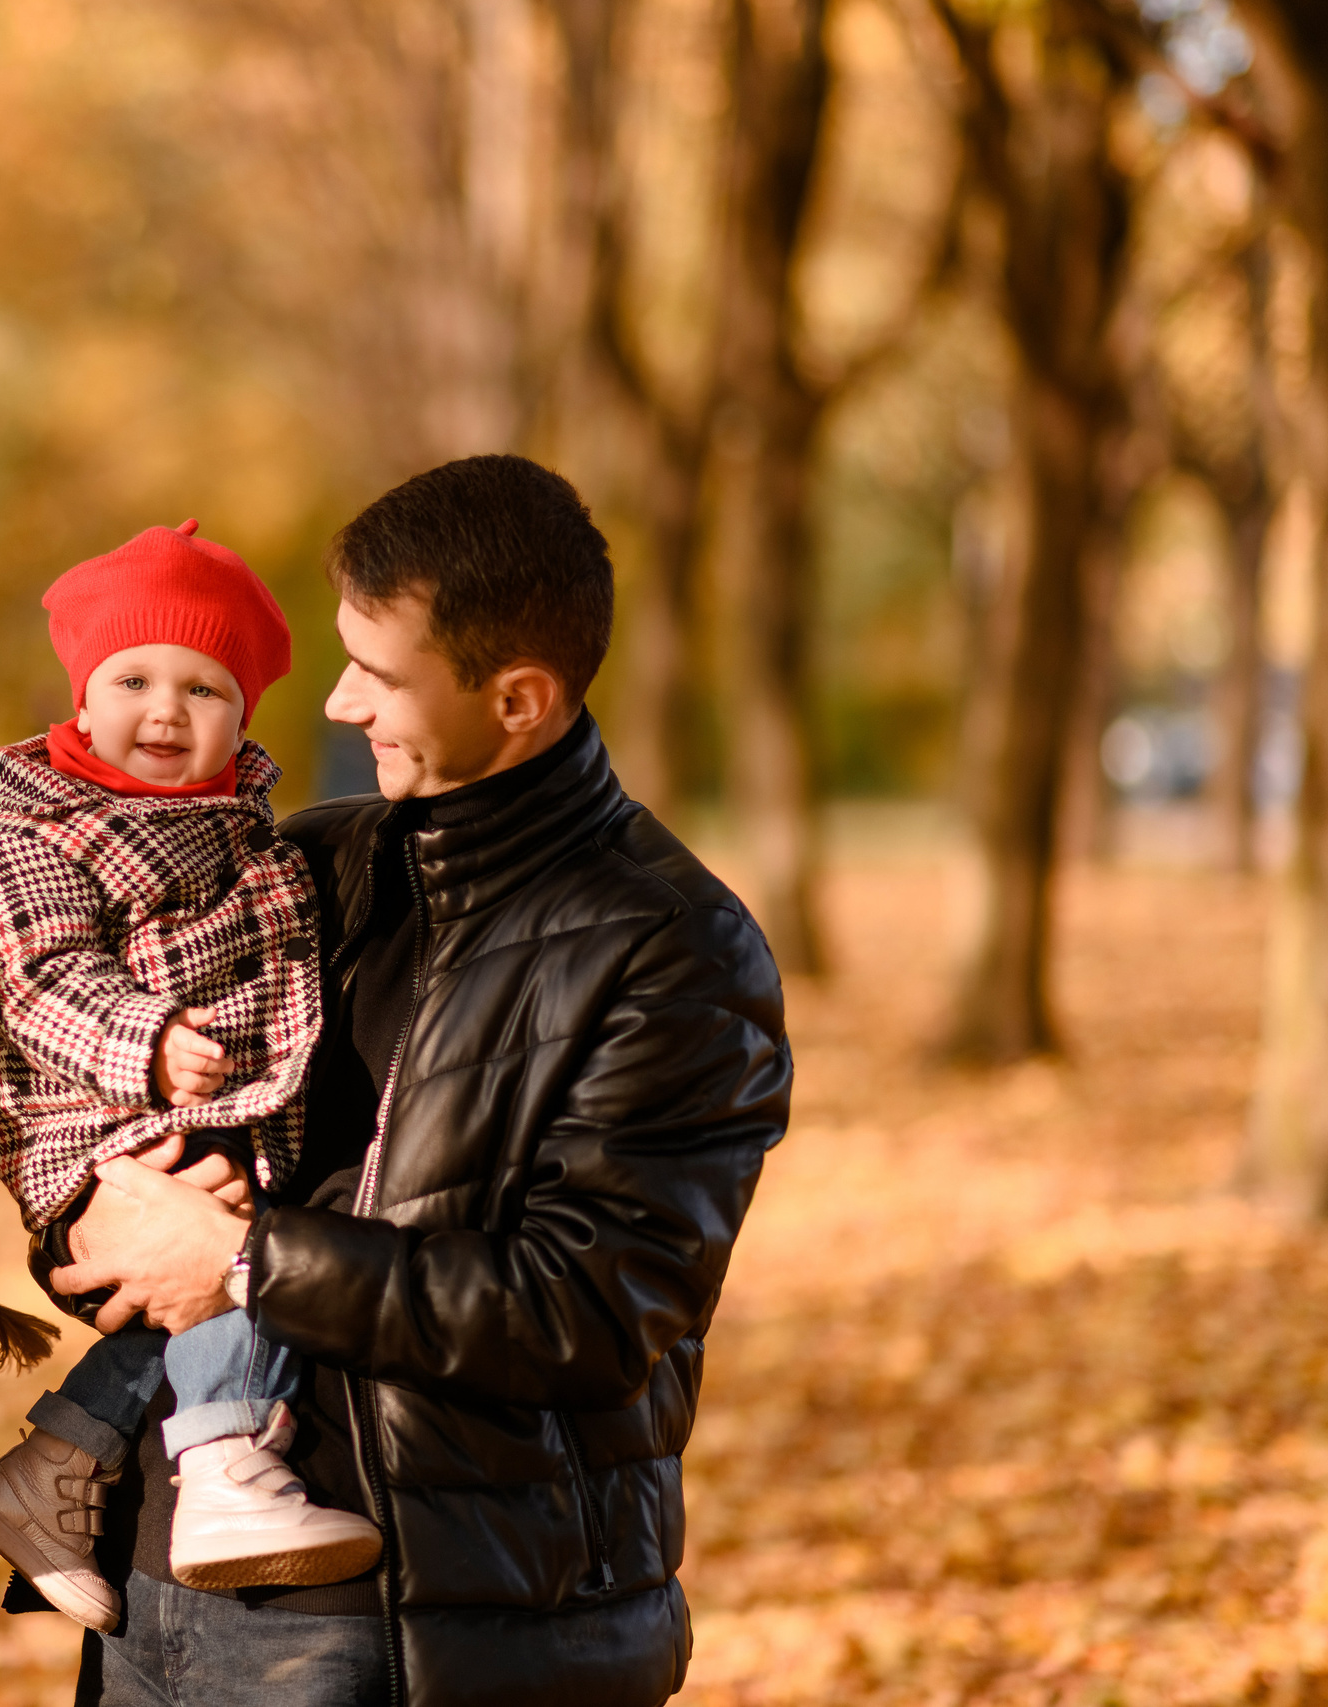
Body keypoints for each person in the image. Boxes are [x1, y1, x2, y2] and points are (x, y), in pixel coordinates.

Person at [47, 454, 793, 1706]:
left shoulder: (672, 949)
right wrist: (59, 1206)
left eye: (379, 675)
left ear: (517, 699)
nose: (338, 704)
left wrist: (237, 1264)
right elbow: (111, 1141)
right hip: (157, 1582)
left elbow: (587, 1313)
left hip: (427, 1623)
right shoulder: (304, 870)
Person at [0, 520, 379, 1633]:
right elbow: (32, 977)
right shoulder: (31, 831)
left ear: (242, 716)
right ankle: (226, 1472)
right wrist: (142, 1040)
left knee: (227, 1271)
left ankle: (53, 1472)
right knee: (243, 1266)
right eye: (132, 678)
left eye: (204, 689)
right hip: (85, 1120)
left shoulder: (243, 831)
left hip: (198, 1115)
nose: (165, 711)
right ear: (81, 700)